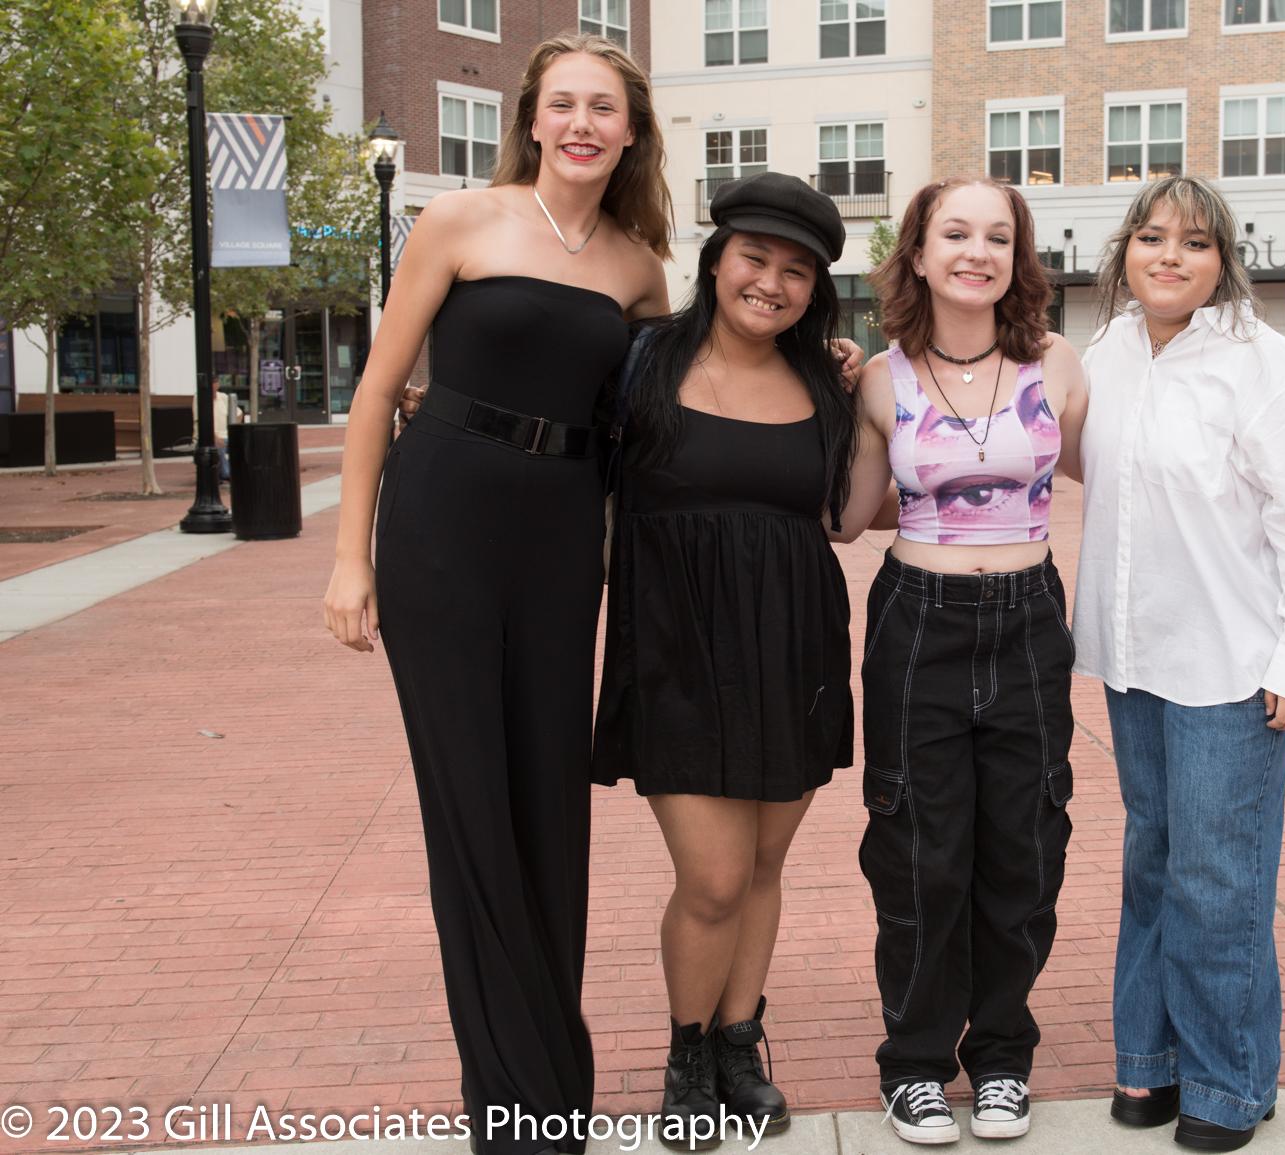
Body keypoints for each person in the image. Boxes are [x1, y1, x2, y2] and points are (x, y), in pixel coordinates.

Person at [320, 32, 671, 1155]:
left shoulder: (639, 266)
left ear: (629, 129)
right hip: (443, 526)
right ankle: (518, 1104)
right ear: (531, 118)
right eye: (562, 102)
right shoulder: (458, 221)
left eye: (601, 108)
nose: (580, 123)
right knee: (469, 804)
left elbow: (665, 420)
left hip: (566, 537)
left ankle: (549, 1068)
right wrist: (349, 556)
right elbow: (378, 393)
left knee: (547, 804)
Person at [1073, 174, 1285, 1152]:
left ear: (1222, 260)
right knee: (1152, 864)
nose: (1168, 256)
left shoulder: (1265, 367)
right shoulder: (1106, 354)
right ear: (1124, 250)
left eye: (1193, 243)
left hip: (1232, 669)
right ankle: (1148, 1068)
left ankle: (1229, 1084)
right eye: (1151, 237)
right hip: (1131, 661)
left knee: (1216, 878)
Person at [591, 171, 858, 1150]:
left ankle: (742, 1041)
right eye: (755, 258)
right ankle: (687, 1054)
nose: (771, 283)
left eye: (796, 271)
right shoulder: (641, 360)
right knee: (710, 877)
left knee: (763, 866)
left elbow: (848, 515)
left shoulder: (828, 384)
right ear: (715, 258)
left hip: (795, 648)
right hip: (674, 647)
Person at [828, 178, 1086, 1145]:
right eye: (955, 234)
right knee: (918, 851)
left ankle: (1004, 1056)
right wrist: (813, 387)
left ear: (1018, 258)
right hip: (918, 622)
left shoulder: (1060, 365)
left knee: (1022, 847)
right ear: (919, 252)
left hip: (1026, 620)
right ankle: (917, 1065)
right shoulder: (878, 379)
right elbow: (846, 517)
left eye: (997, 237)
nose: (975, 251)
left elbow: (1136, 479)